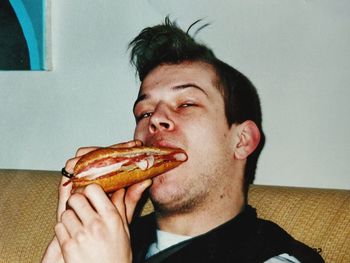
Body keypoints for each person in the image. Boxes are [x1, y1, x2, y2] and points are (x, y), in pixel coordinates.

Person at [42, 17, 324, 263]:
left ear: (241, 141)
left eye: (186, 104)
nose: (155, 119)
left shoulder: (273, 257)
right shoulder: (103, 237)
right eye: (145, 112)